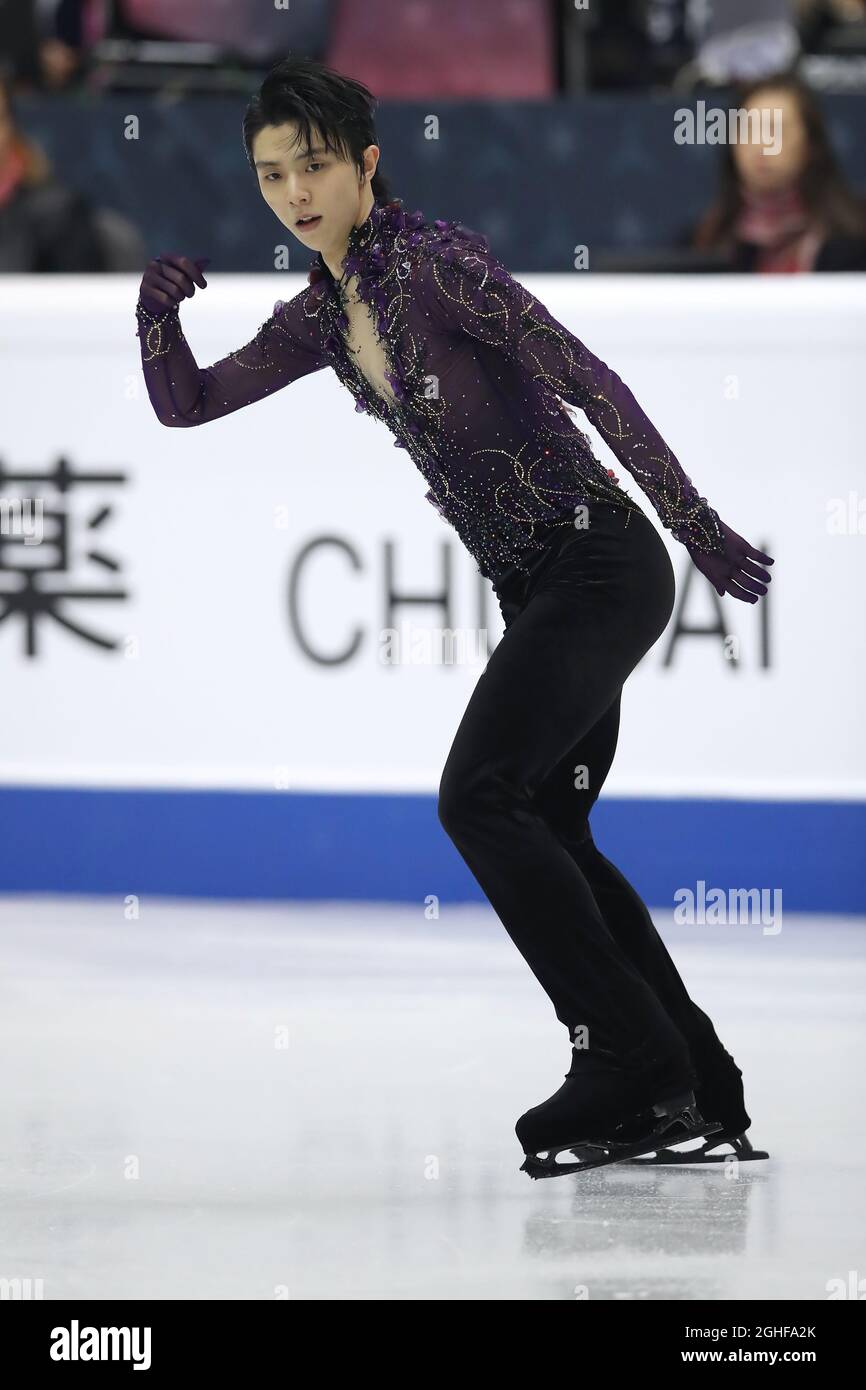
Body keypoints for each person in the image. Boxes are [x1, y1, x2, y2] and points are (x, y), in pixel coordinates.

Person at [134, 57, 774, 1178]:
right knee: (551, 828)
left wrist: (693, 522)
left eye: (315, 166)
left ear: (366, 162)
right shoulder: (323, 314)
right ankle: (690, 1078)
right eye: (270, 174)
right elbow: (189, 404)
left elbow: (586, 376)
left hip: (596, 562)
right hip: (536, 585)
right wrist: (153, 320)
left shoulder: (437, 267)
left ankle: (623, 1056)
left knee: (475, 797)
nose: (294, 193)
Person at [691, 70, 866, 273]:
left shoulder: (854, 244)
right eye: (749, 131)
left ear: (810, 144)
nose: (762, 146)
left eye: (776, 131)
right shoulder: (704, 244)